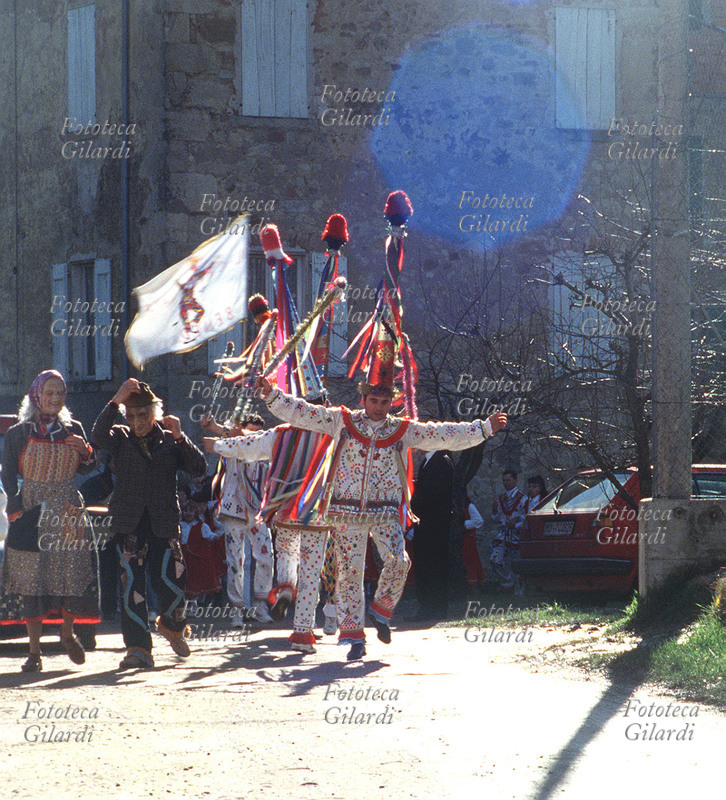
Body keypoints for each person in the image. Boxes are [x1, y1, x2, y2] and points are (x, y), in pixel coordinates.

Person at [256, 374, 507, 660]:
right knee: (349, 575)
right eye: (373, 400)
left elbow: (440, 434)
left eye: (385, 401)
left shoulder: (401, 429)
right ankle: (353, 638)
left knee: (400, 561)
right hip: (346, 510)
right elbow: (305, 413)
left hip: (385, 511)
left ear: (392, 402)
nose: (378, 406)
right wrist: (273, 395)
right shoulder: (342, 421)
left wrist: (483, 428)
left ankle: (381, 610)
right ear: (362, 400)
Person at [92, 378, 205, 670]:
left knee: (173, 584)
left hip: (164, 522)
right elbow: (98, 436)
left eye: (142, 415)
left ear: (154, 413)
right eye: (130, 416)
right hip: (128, 523)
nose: (136, 421)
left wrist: (180, 436)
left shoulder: (170, 439)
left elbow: (199, 467)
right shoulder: (119, 436)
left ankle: (172, 626)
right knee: (132, 586)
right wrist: (115, 399)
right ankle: (138, 648)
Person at [0, 370, 99, 672]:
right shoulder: (19, 432)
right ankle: (34, 652)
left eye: (60, 394)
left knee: (71, 575)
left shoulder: (75, 429)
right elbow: (7, 473)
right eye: (50, 393)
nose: (55, 399)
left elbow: (86, 469)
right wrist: (15, 507)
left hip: (67, 508)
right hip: (31, 508)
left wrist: (87, 453)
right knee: (32, 581)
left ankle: (67, 631)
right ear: (37, 396)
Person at [201, 413, 274, 624]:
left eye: (258, 432)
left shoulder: (264, 448)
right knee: (236, 560)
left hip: (258, 510)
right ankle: (237, 609)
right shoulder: (232, 445)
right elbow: (230, 434)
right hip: (234, 509)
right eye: (250, 431)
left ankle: (260, 605)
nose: (254, 436)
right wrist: (214, 426)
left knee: (266, 556)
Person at [411, 450, 454, 620]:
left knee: (434, 564)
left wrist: (415, 502)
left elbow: (436, 493)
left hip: (434, 522)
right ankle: (428, 605)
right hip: (427, 522)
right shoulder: (427, 462)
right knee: (425, 564)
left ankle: (435, 607)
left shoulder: (441, 461)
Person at [180, 501, 225, 600]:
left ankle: (194, 605)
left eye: (191, 511)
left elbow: (209, 535)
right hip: (182, 557)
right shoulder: (180, 525)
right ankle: (182, 604)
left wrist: (215, 538)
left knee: (194, 581)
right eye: (186, 511)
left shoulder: (201, 525)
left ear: (195, 513)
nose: (188, 513)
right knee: (182, 581)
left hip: (194, 559)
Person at [490, 470, 527, 593]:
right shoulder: (501, 499)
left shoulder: (523, 499)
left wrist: (516, 523)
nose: (506, 483)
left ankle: (519, 590)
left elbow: (526, 518)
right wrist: (494, 511)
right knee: (495, 560)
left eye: (508, 480)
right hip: (502, 535)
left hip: (516, 536)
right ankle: (507, 583)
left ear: (515, 480)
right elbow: (496, 519)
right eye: (504, 480)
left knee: (516, 564)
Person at [462, 494, 486, 590]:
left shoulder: (469, 506)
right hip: (458, 539)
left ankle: (474, 585)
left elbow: (478, 520)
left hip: (468, 539)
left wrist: (463, 524)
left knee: (471, 561)